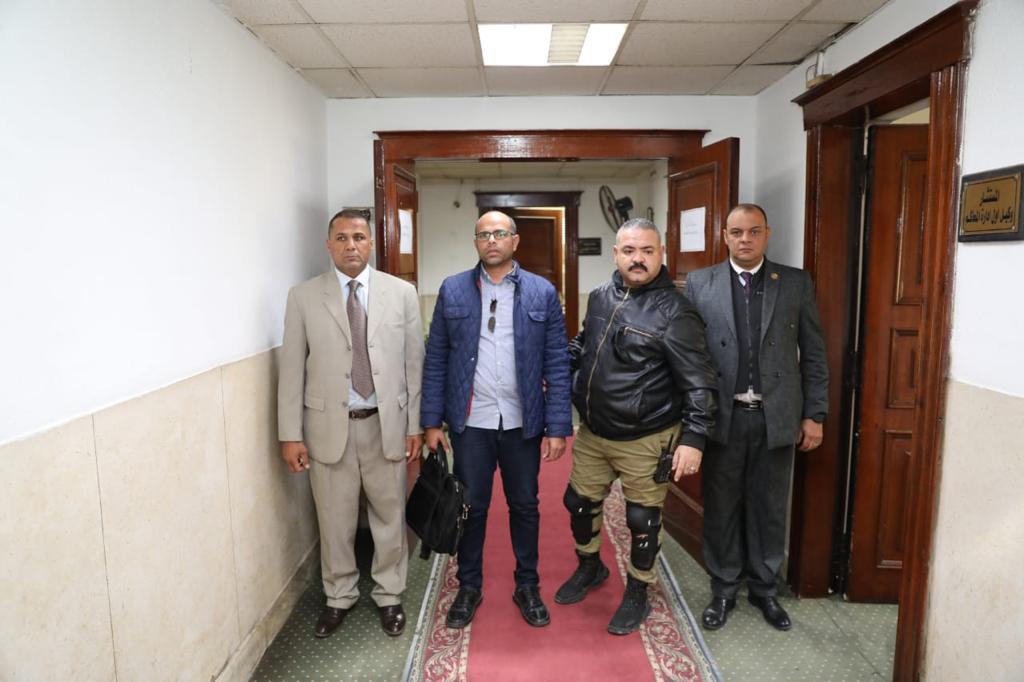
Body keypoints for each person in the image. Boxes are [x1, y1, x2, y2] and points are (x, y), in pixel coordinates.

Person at [557, 217, 718, 635]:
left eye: (647, 250)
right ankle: (590, 567)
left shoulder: (676, 313)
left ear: (661, 253)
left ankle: (638, 589)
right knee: (579, 503)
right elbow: (584, 343)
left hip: (647, 437)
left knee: (642, 519)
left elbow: (699, 381)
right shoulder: (599, 297)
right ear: (616, 254)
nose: (638, 259)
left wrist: (694, 438)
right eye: (629, 251)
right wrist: (559, 369)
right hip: (594, 431)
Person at [421, 210, 572, 629]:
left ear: (515, 241)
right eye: (484, 234)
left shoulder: (541, 292)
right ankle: (469, 586)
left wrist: (558, 426)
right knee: (471, 508)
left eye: (500, 233)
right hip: (472, 422)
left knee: (525, 506)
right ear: (475, 242)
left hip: (523, 422)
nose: (492, 240)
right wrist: (431, 421)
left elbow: (557, 363)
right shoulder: (453, 289)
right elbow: (436, 359)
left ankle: (527, 585)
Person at [278, 209, 424, 639]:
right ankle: (339, 595)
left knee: (390, 515)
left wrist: (415, 426)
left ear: (371, 243)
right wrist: (290, 435)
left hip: (386, 424)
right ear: (329, 245)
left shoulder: (402, 293)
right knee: (334, 520)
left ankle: (389, 594)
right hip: (328, 429)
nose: (351, 246)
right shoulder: (303, 297)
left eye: (359, 237)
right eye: (341, 238)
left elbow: (414, 365)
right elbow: (291, 370)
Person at [684, 203, 828, 632]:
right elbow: (688, 356)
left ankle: (765, 589)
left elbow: (814, 353)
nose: (744, 239)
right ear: (724, 236)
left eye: (753, 231)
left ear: (768, 234)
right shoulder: (701, 282)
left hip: (775, 417)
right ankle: (723, 588)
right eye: (736, 232)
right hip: (722, 418)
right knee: (722, 507)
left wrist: (815, 414)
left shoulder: (795, 282)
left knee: (769, 508)